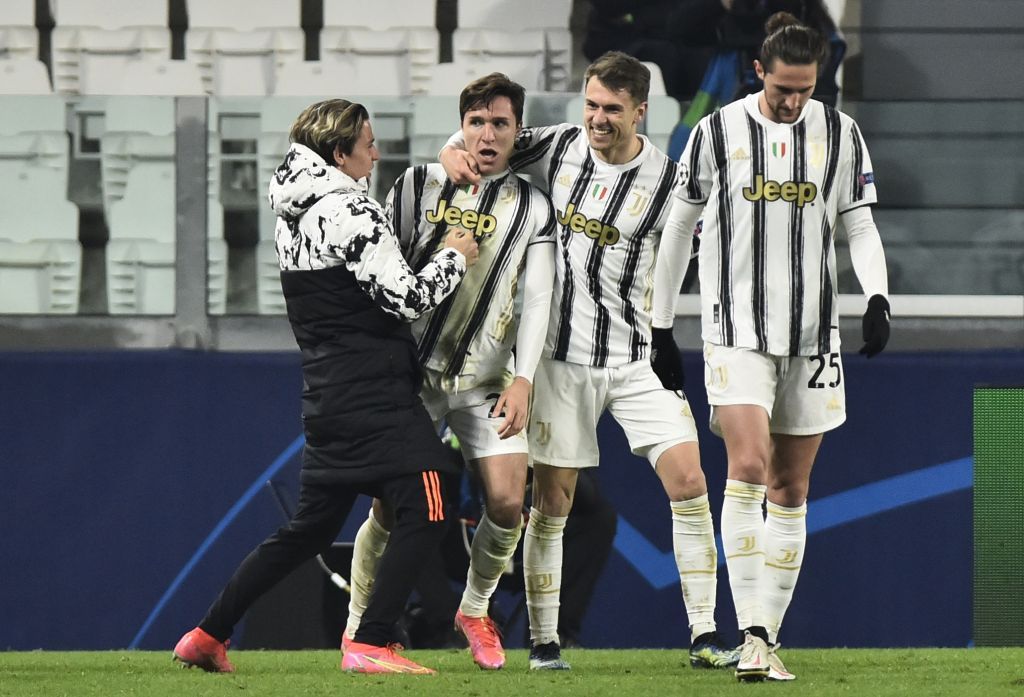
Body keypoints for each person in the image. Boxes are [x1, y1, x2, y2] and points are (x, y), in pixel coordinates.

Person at [440, 51, 738, 671]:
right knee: (554, 502)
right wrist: (450, 154)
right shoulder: (556, 146)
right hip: (559, 360)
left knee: (690, 483)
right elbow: (481, 140)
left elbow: (700, 254)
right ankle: (545, 644)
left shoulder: (669, 182)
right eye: (592, 105)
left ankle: (705, 634)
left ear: (640, 112)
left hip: (637, 359)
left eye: (612, 110)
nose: (598, 119)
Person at [172, 98, 479, 676]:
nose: (376, 154)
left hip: (326, 397)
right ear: (339, 153)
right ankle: (371, 641)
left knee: (305, 531)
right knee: (429, 503)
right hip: (376, 393)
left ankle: (206, 634)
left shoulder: (291, 210)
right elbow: (407, 298)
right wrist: (453, 257)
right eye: (368, 144)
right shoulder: (350, 209)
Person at [651, 12, 891, 683]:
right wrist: (662, 324)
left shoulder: (841, 134)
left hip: (813, 336)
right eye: (783, 88)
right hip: (737, 331)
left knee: (791, 486)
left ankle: (765, 637)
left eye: (805, 90)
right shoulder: (716, 132)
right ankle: (752, 630)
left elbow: (859, 225)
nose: (792, 101)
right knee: (749, 466)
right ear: (759, 71)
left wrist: (877, 297)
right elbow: (679, 229)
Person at [340, 73, 557, 671]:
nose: (487, 134)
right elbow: (381, 269)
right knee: (392, 508)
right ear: (461, 125)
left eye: (500, 123)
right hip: (412, 377)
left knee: (508, 503)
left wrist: (524, 378)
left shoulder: (534, 206)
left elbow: (538, 298)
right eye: (476, 122)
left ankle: (475, 609)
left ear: (518, 130)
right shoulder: (417, 184)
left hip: (485, 379)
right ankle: (358, 623)